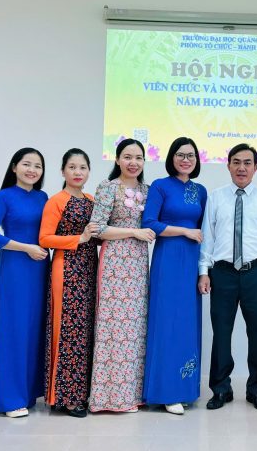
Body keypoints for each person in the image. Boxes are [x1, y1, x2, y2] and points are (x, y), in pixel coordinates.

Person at [198, 143, 257, 412]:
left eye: (247, 163)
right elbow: (208, 238)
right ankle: (221, 388)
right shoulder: (216, 197)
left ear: (256, 167)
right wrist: (203, 272)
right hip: (222, 273)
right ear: (228, 165)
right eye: (236, 162)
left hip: (256, 273)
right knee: (221, 333)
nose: (241, 167)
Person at [0, 147, 49, 418]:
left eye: (38, 166)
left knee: (34, 329)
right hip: (15, 269)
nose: (32, 170)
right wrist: (25, 248)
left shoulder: (43, 197)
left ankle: (29, 393)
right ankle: (10, 399)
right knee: (14, 328)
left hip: (41, 267)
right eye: (26, 164)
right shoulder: (3, 197)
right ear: (14, 167)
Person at [142, 136, 207, 415]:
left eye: (191, 155)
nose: (185, 159)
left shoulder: (200, 190)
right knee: (166, 321)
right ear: (171, 157)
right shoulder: (160, 186)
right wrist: (184, 231)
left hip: (192, 262)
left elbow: (205, 230)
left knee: (187, 323)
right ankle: (165, 392)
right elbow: (150, 223)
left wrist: (204, 270)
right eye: (180, 154)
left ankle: (185, 390)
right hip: (167, 260)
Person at [88, 139, 154, 413]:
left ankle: (133, 394)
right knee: (113, 327)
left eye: (138, 157)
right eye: (127, 157)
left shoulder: (147, 190)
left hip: (138, 263)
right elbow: (97, 228)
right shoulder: (108, 187)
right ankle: (109, 397)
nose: (133, 162)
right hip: (115, 261)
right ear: (117, 160)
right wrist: (133, 232)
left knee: (136, 328)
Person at [38, 148, 98, 418]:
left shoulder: (92, 200)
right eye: (72, 167)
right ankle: (64, 397)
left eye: (82, 167)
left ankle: (81, 393)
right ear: (63, 171)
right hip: (67, 269)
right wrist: (80, 238)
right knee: (67, 331)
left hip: (90, 269)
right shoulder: (56, 201)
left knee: (84, 332)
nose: (77, 172)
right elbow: (45, 239)